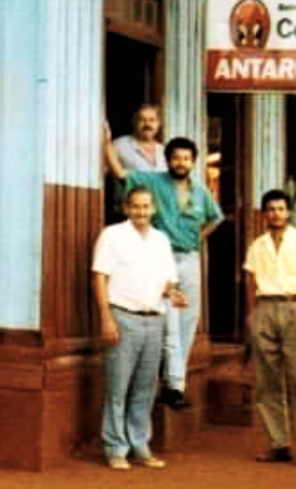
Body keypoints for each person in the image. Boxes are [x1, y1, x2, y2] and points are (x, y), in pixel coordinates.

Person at [104, 123, 224, 410]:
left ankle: (175, 383)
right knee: (170, 323)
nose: (181, 163)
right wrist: (107, 142)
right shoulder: (154, 182)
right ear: (167, 160)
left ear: (193, 162)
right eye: (176, 158)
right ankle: (174, 386)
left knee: (188, 321)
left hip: (191, 259)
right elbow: (121, 173)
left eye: (186, 158)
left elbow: (216, 218)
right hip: (162, 259)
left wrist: (198, 238)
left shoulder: (200, 190)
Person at [92, 186, 186, 470]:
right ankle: (115, 448)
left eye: (146, 207)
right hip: (123, 317)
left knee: (145, 387)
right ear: (126, 208)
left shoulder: (161, 240)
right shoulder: (112, 235)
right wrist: (106, 318)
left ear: (154, 209)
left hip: (154, 319)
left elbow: (168, 279)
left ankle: (140, 445)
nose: (141, 212)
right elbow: (99, 277)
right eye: (135, 206)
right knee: (118, 386)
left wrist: (173, 293)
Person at [243, 189, 296, 471]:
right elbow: (251, 282)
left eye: (281, 209)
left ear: (288, 212)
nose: (276, 214)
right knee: (268, 383)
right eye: (271, 209)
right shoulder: (257, 246)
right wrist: (252, 316)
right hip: (265, 309)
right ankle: (278, 445)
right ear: (264, 213)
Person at [112, 104, 168, 173]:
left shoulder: (163, 150)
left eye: (152, 120)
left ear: (158, 123)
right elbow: (102, 172)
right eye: (142, 119)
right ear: (134, 122)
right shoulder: (119, 145)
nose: (147, 124)